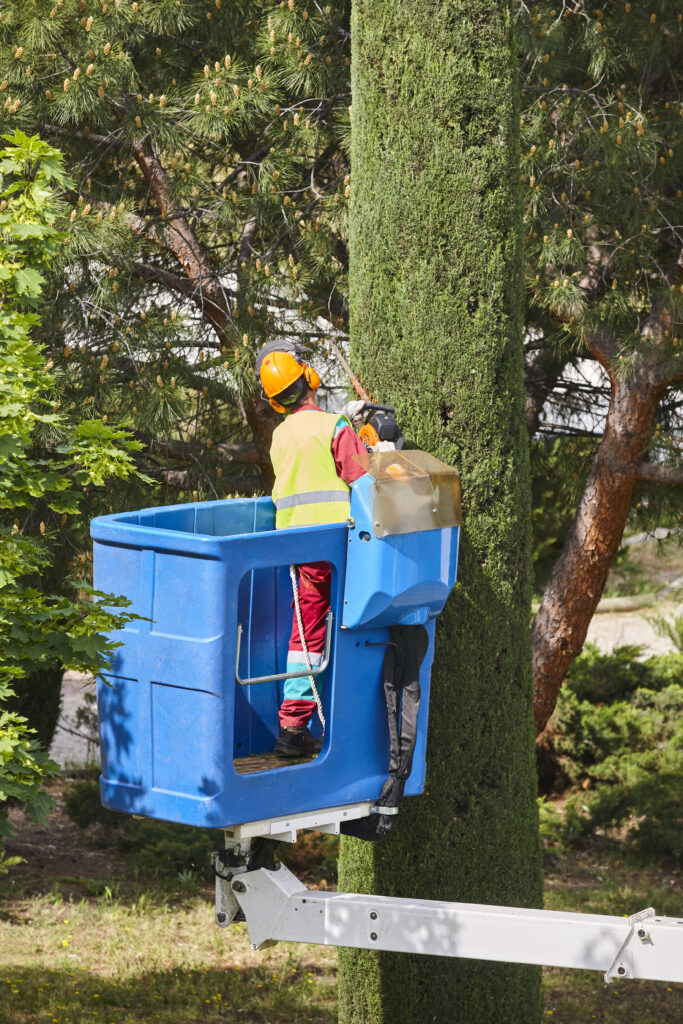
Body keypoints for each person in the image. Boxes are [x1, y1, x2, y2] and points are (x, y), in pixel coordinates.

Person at [255, 341, 367, 756]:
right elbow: (364, 482)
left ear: (275, 402)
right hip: (333, 549)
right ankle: (294, 726)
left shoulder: (281, 435)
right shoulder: (333, 426)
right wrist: (366, 443)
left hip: (295, 548)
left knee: (307, 629)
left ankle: (295, 724)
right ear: (310, 379)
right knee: (317, 634)